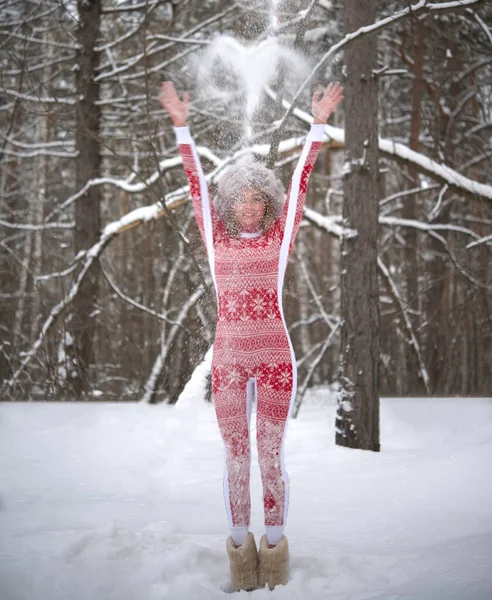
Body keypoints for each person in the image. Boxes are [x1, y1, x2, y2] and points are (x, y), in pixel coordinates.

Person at [160, 80, 343, 591]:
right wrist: (182, 128)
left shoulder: (280, 238)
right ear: (228, 206)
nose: (249, 206)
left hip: (277, 360)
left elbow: (303, 180)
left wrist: (319, 123)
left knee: (271, 456)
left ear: (267, 204)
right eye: (240, 199)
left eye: (258, 198)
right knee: (236, 456)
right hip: (231, 361)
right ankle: (241, 556)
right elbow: (196, 182)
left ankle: (275, 556)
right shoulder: (217, 243)